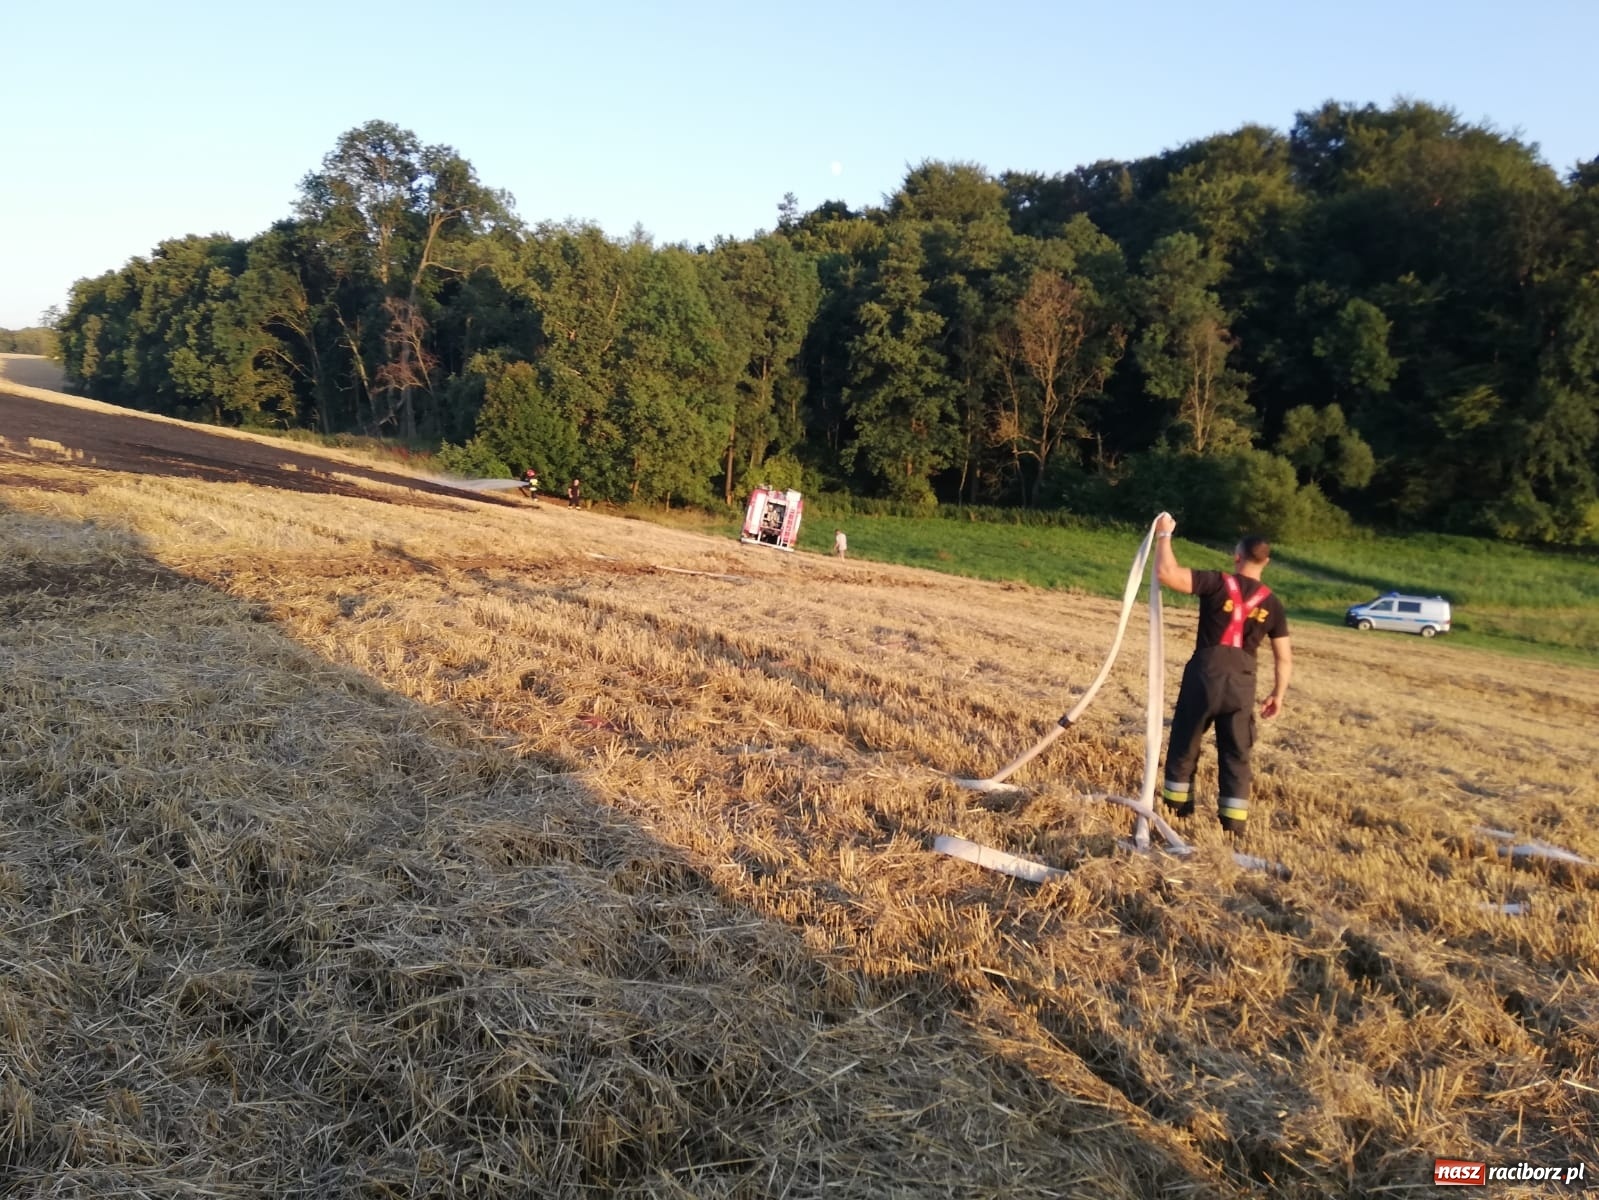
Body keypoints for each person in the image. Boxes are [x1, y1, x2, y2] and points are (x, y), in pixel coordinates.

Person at [1153, 514, 1292, 838]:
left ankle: (1176, 815)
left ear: (1236, 556)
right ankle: (1233, 828)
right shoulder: (1273, 604)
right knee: (1236, 755)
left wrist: (1164, 536)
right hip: (1242, 685)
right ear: (1266, 562)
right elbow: (1284, 657)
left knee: (1185, 745)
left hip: (1204, 677)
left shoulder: (1217, 583)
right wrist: (1278, 694)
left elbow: (1167, 573)